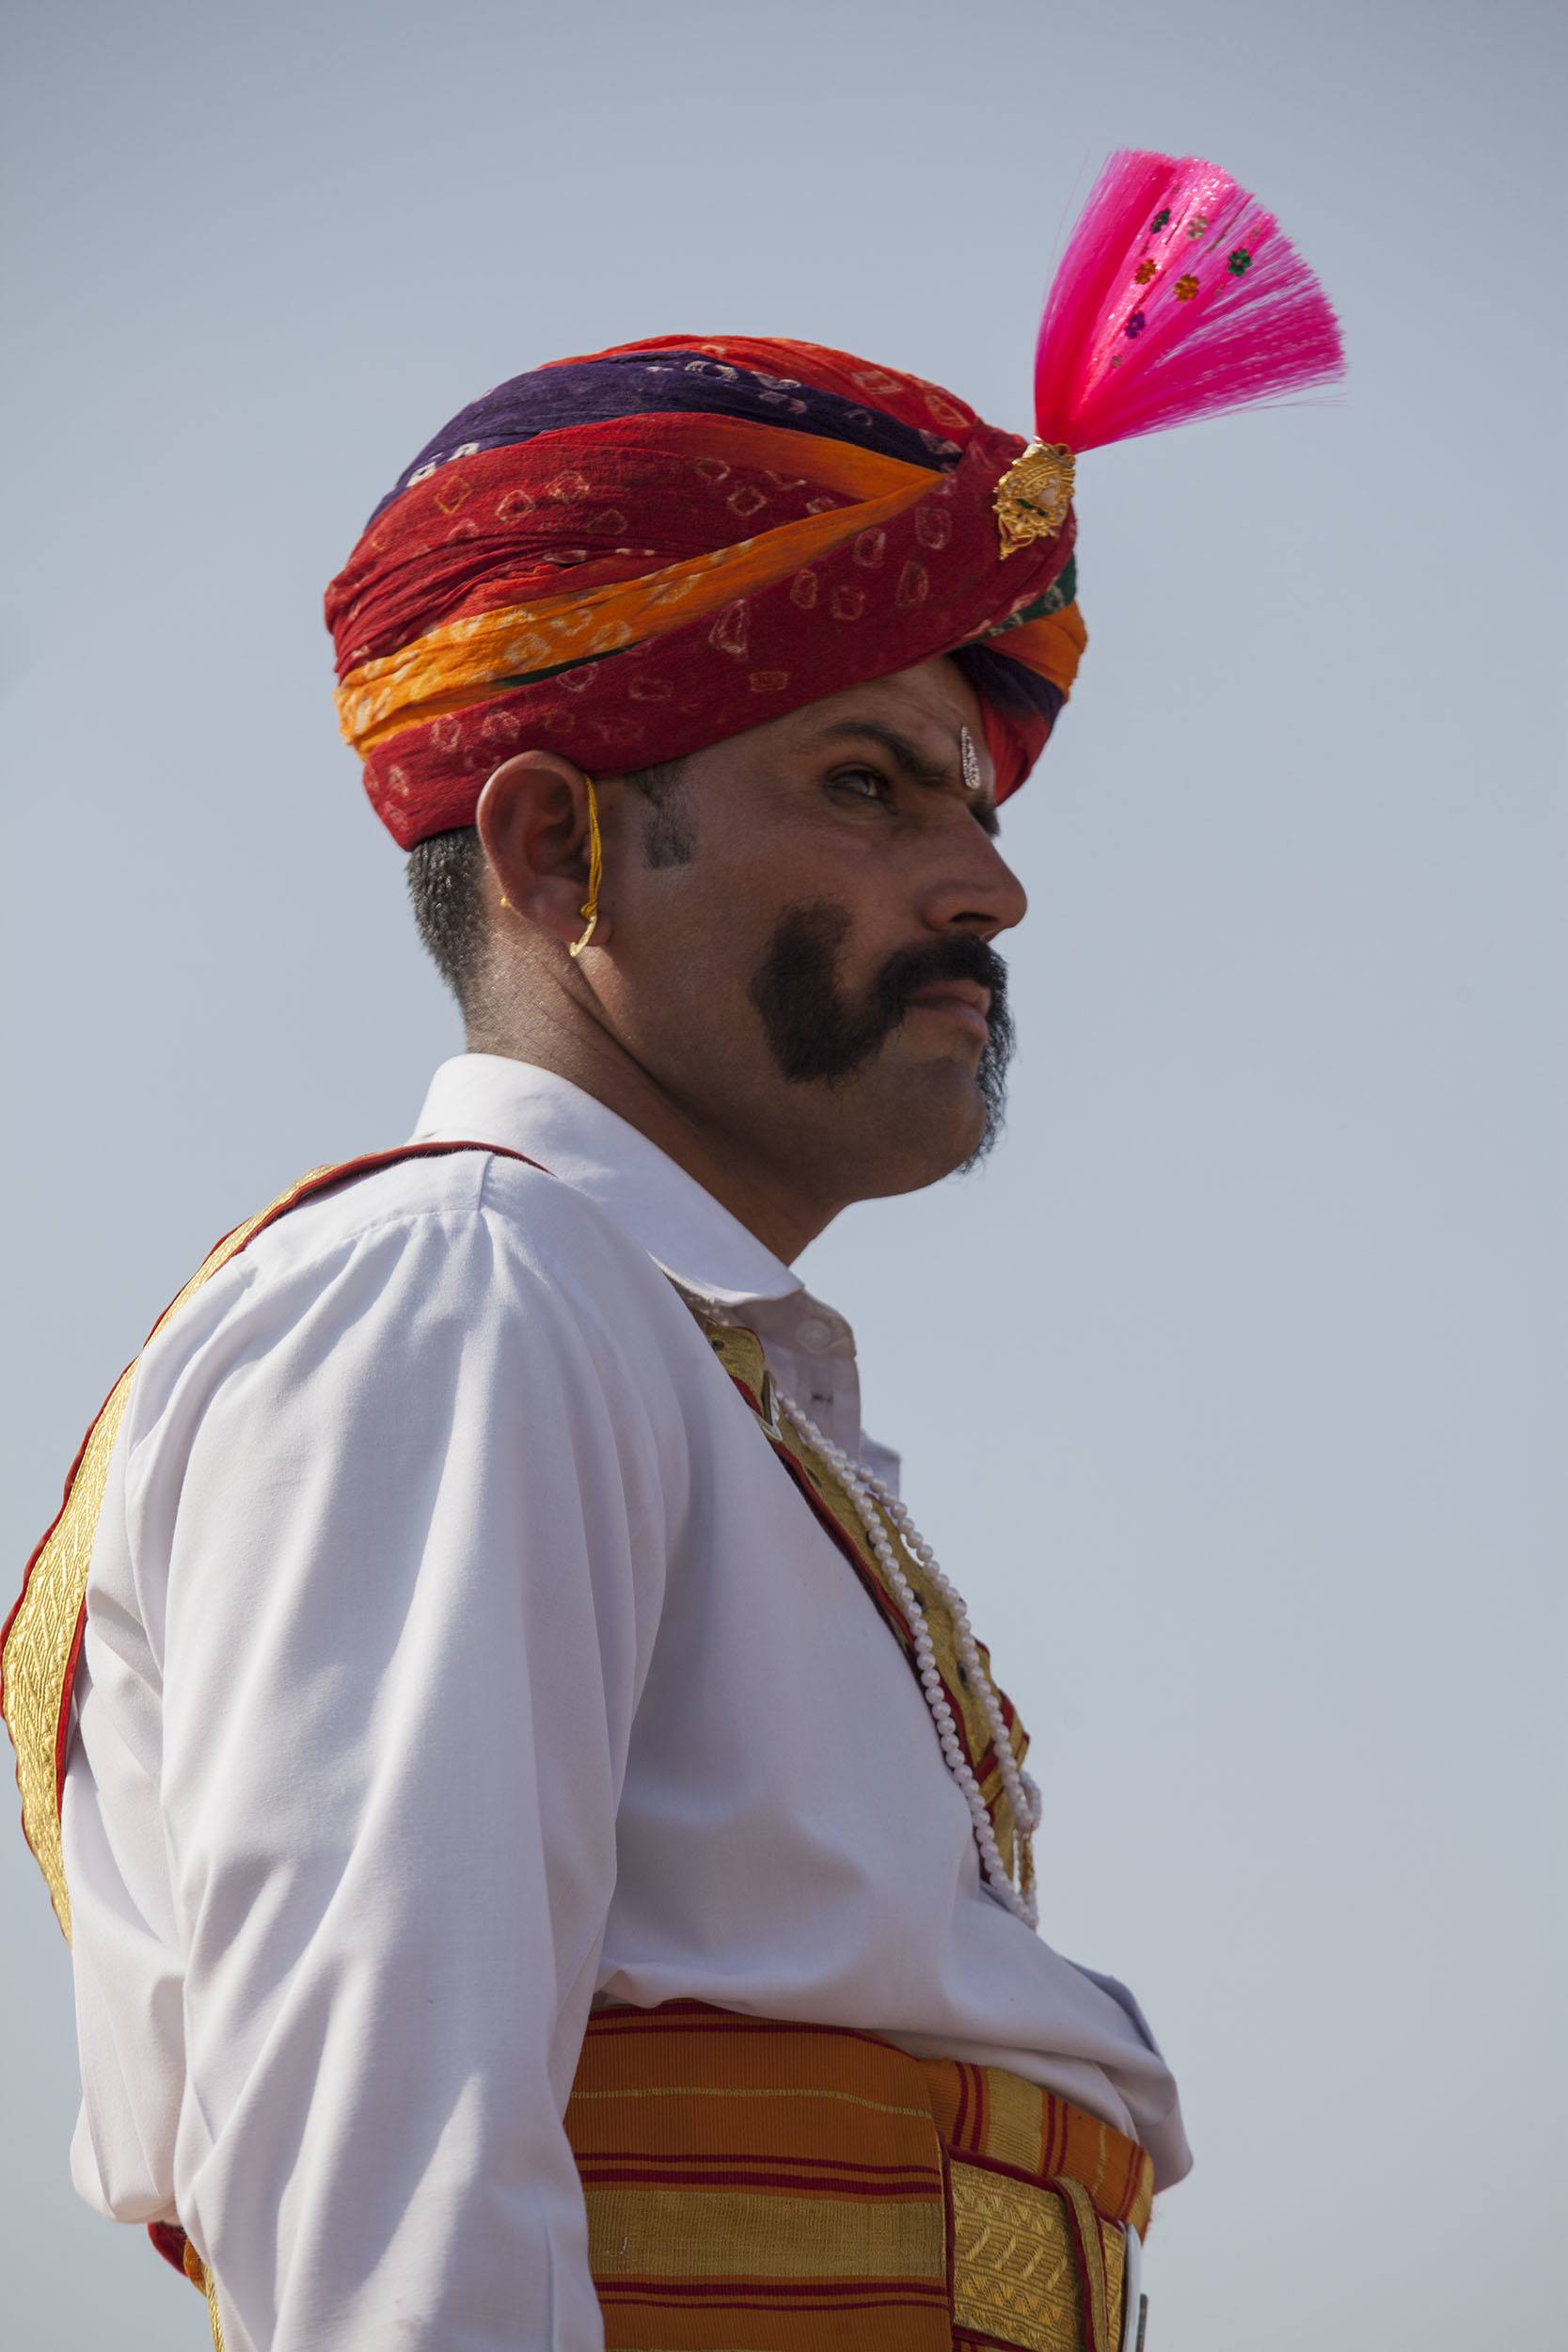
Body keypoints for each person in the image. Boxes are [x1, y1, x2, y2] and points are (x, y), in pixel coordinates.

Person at [4, 152, 1341, 2352]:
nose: (988, 891)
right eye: (872, 786)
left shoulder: (664, 1347)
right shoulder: (462, 1297)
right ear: (555, 846)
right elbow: (389, 2227)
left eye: (979, 812)